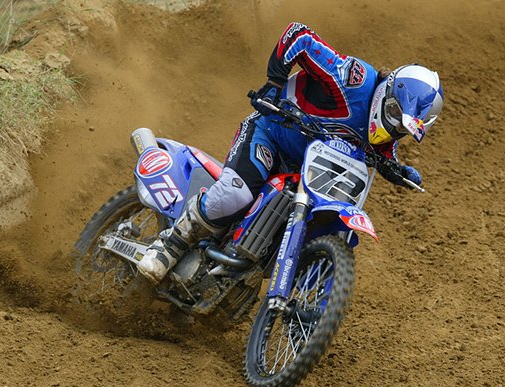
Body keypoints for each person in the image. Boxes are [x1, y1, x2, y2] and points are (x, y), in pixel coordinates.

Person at [138, 22, 444, 283]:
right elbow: (299, 36)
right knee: (236, 193)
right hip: (270, 132)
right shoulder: (354, 79)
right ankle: (171, 244)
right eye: (394, 112)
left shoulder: (385, 136)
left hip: (307, 170)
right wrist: (275, 82)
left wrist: (394, 168)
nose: (393, 126)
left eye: (402, 127)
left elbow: (382, 151)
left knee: (302, 228)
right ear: (388, 90)